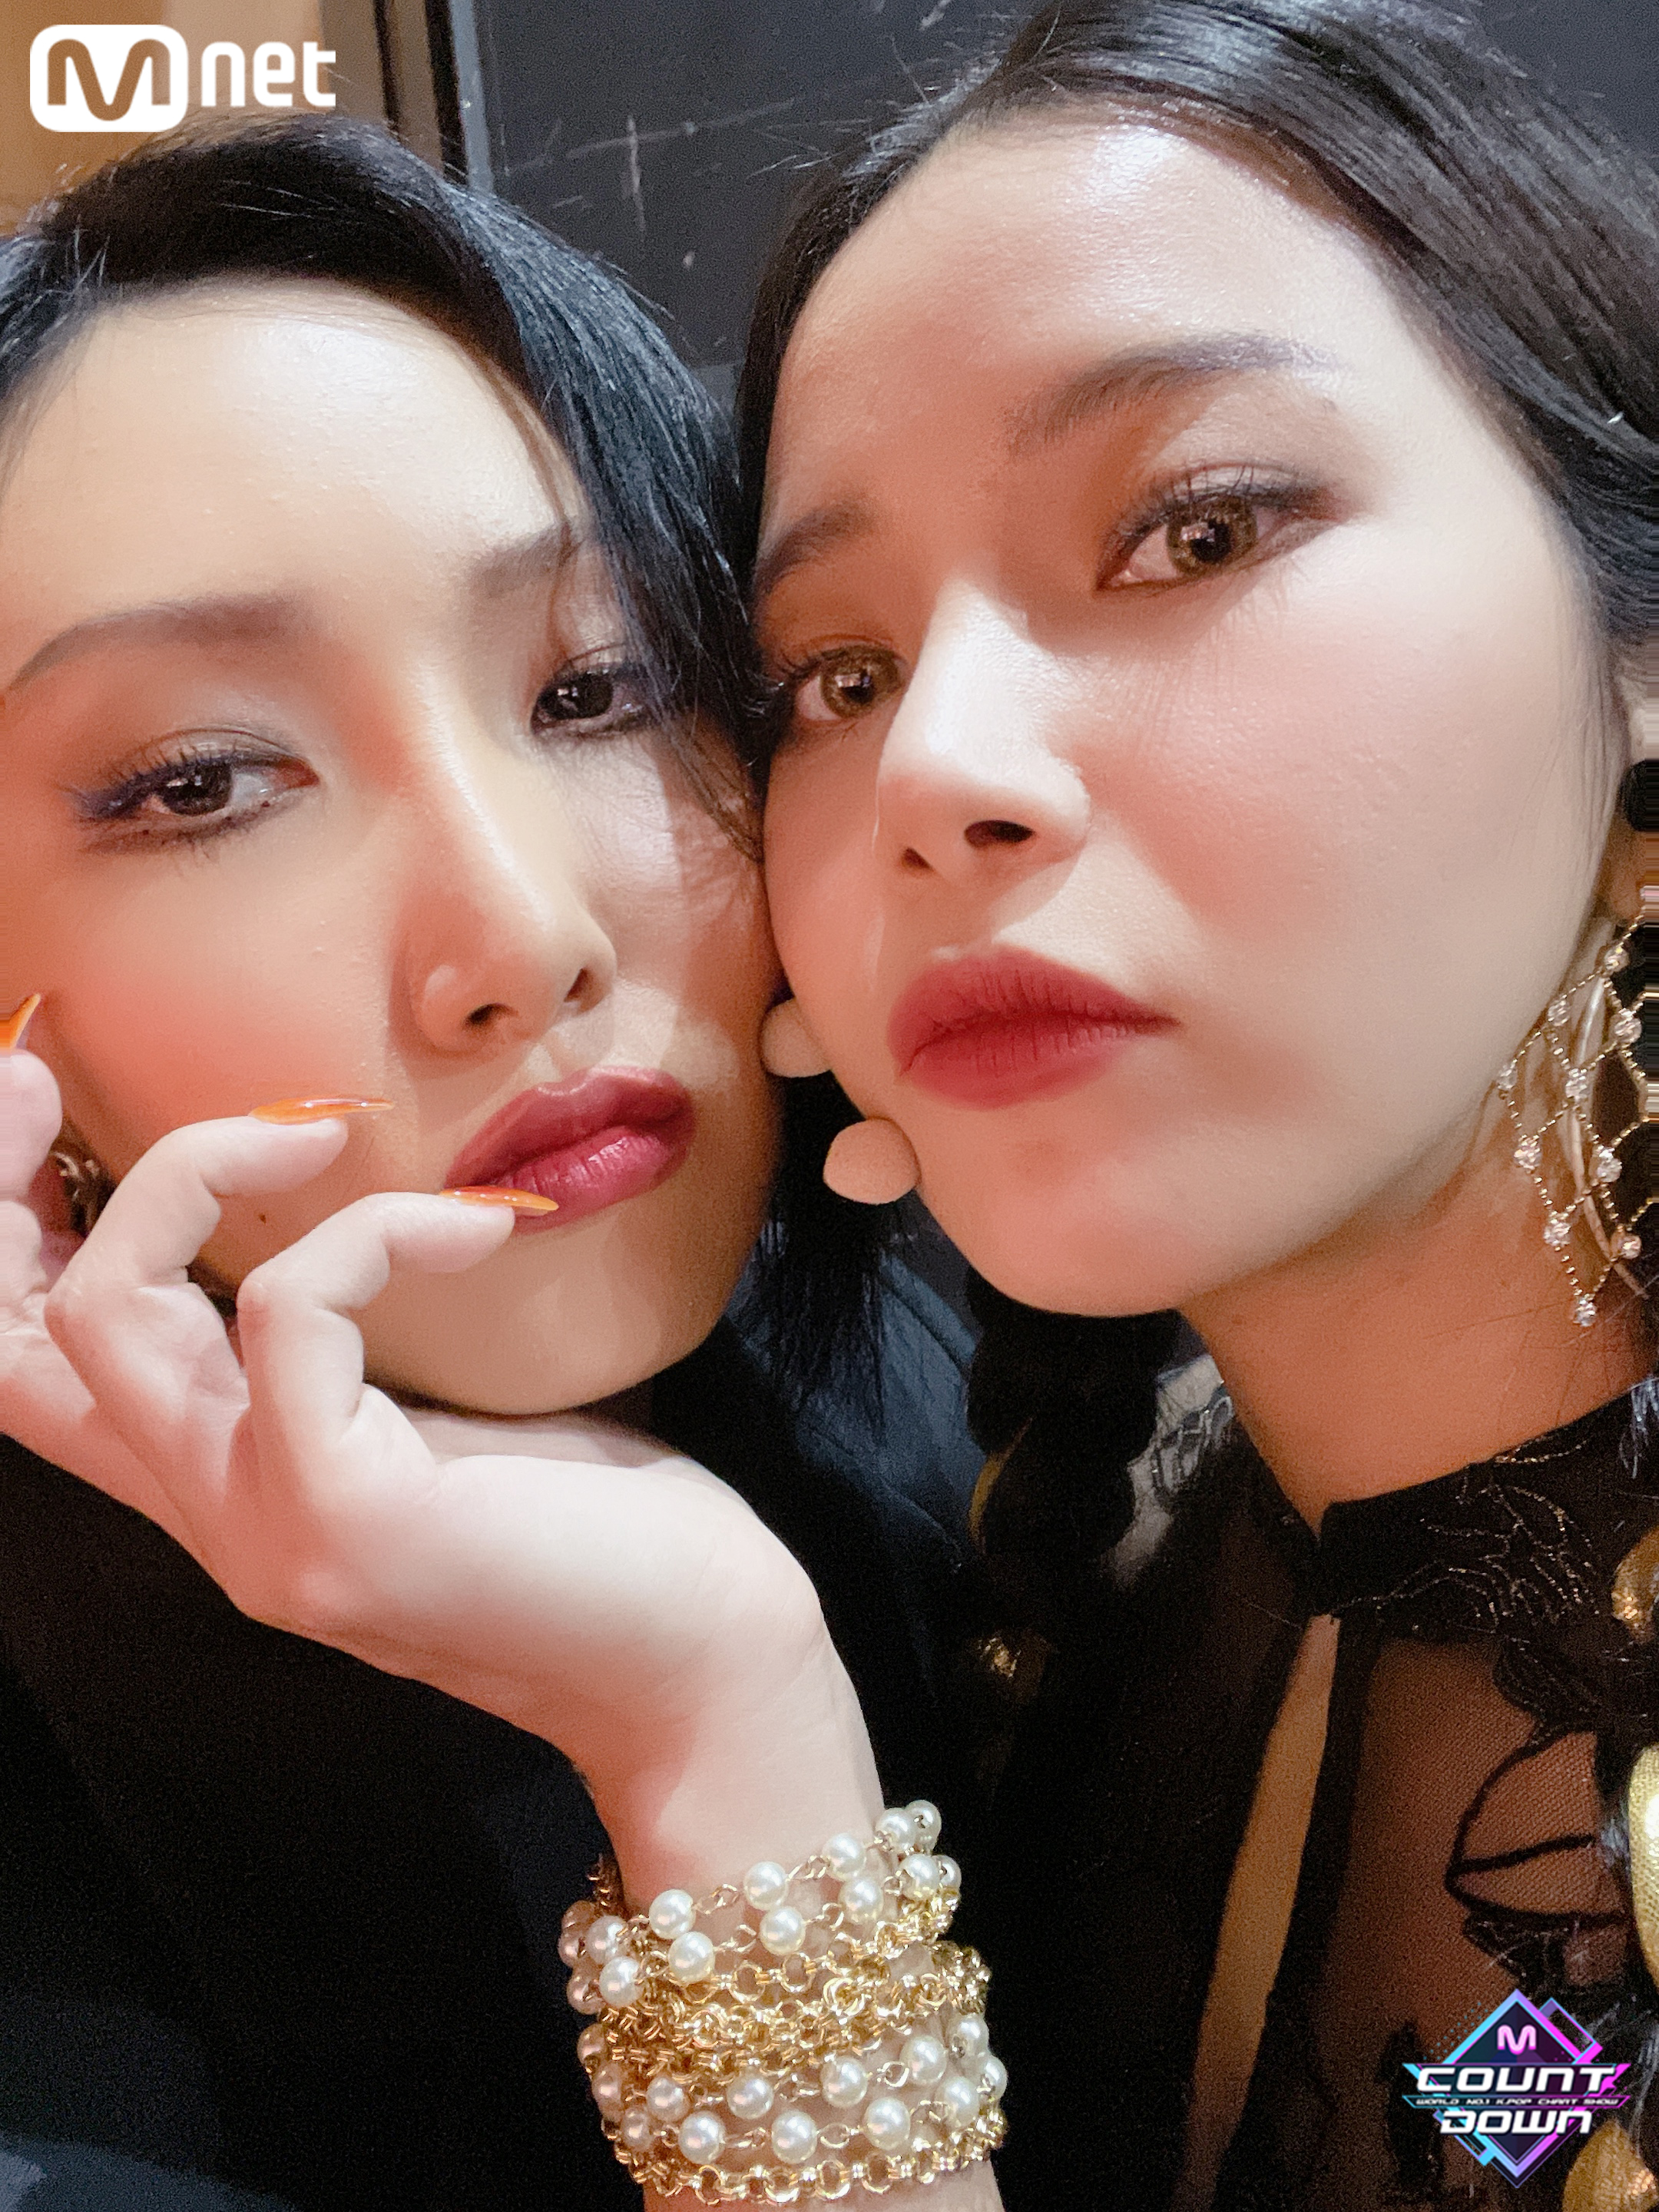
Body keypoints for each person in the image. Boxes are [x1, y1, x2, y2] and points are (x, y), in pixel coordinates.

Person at [0, 117, 985, 2212]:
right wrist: (715, 1722)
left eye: (603, 683)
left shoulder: (1021, 1351)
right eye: (201, 783)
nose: (523, 935)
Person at [734, 0, 1659, 2206]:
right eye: (840, 675)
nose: (937, 765)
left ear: (1637, 651)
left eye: (1199, 531)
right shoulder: (1081, 1578)